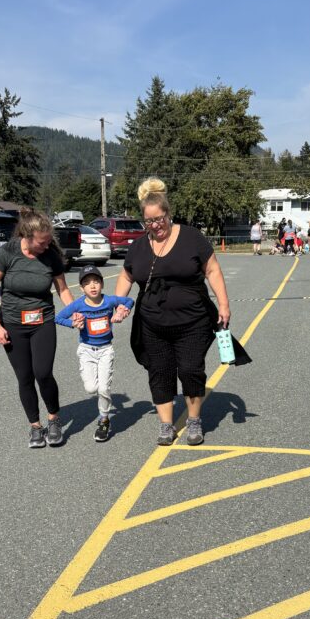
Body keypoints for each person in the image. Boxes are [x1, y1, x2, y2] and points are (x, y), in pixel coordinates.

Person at [114, 177, 245, 447]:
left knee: (190, 370)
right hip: (152, 323)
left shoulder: (191, 237)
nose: (155, 225)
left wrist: (223, 304)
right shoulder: (138, 247)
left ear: (168, 214)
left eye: (159, 219)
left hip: (193, 321)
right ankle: (166, 425)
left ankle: (194, 420)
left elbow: (212, 270)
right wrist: (120, 304)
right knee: (159, 372)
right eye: (149, 221)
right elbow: (126, 275)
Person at [0, 209, 76, 449]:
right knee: (24, 377)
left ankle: (54, 419)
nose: (46, 246)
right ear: (27, 235)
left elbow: (63, 289)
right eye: (41, 242)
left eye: (48, 241)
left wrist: (76, 311)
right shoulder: (7, 253)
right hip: (13, 324)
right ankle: (35, 426)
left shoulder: (50, 256)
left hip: (43, 322)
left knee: (43, 373)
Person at [55, 265, 134, 442]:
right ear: (81, 288)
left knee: (104, 388)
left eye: (96, 282)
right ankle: (101, 400)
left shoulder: (109, 301)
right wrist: (73, 324)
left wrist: (123, 310)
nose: (92, 286)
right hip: (86, 351)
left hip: (106, 349)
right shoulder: (78, 305)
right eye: (87, 283)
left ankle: (104, 420)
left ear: (102, 284)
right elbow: (58, 318)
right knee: (91, 388)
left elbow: (129, 301)